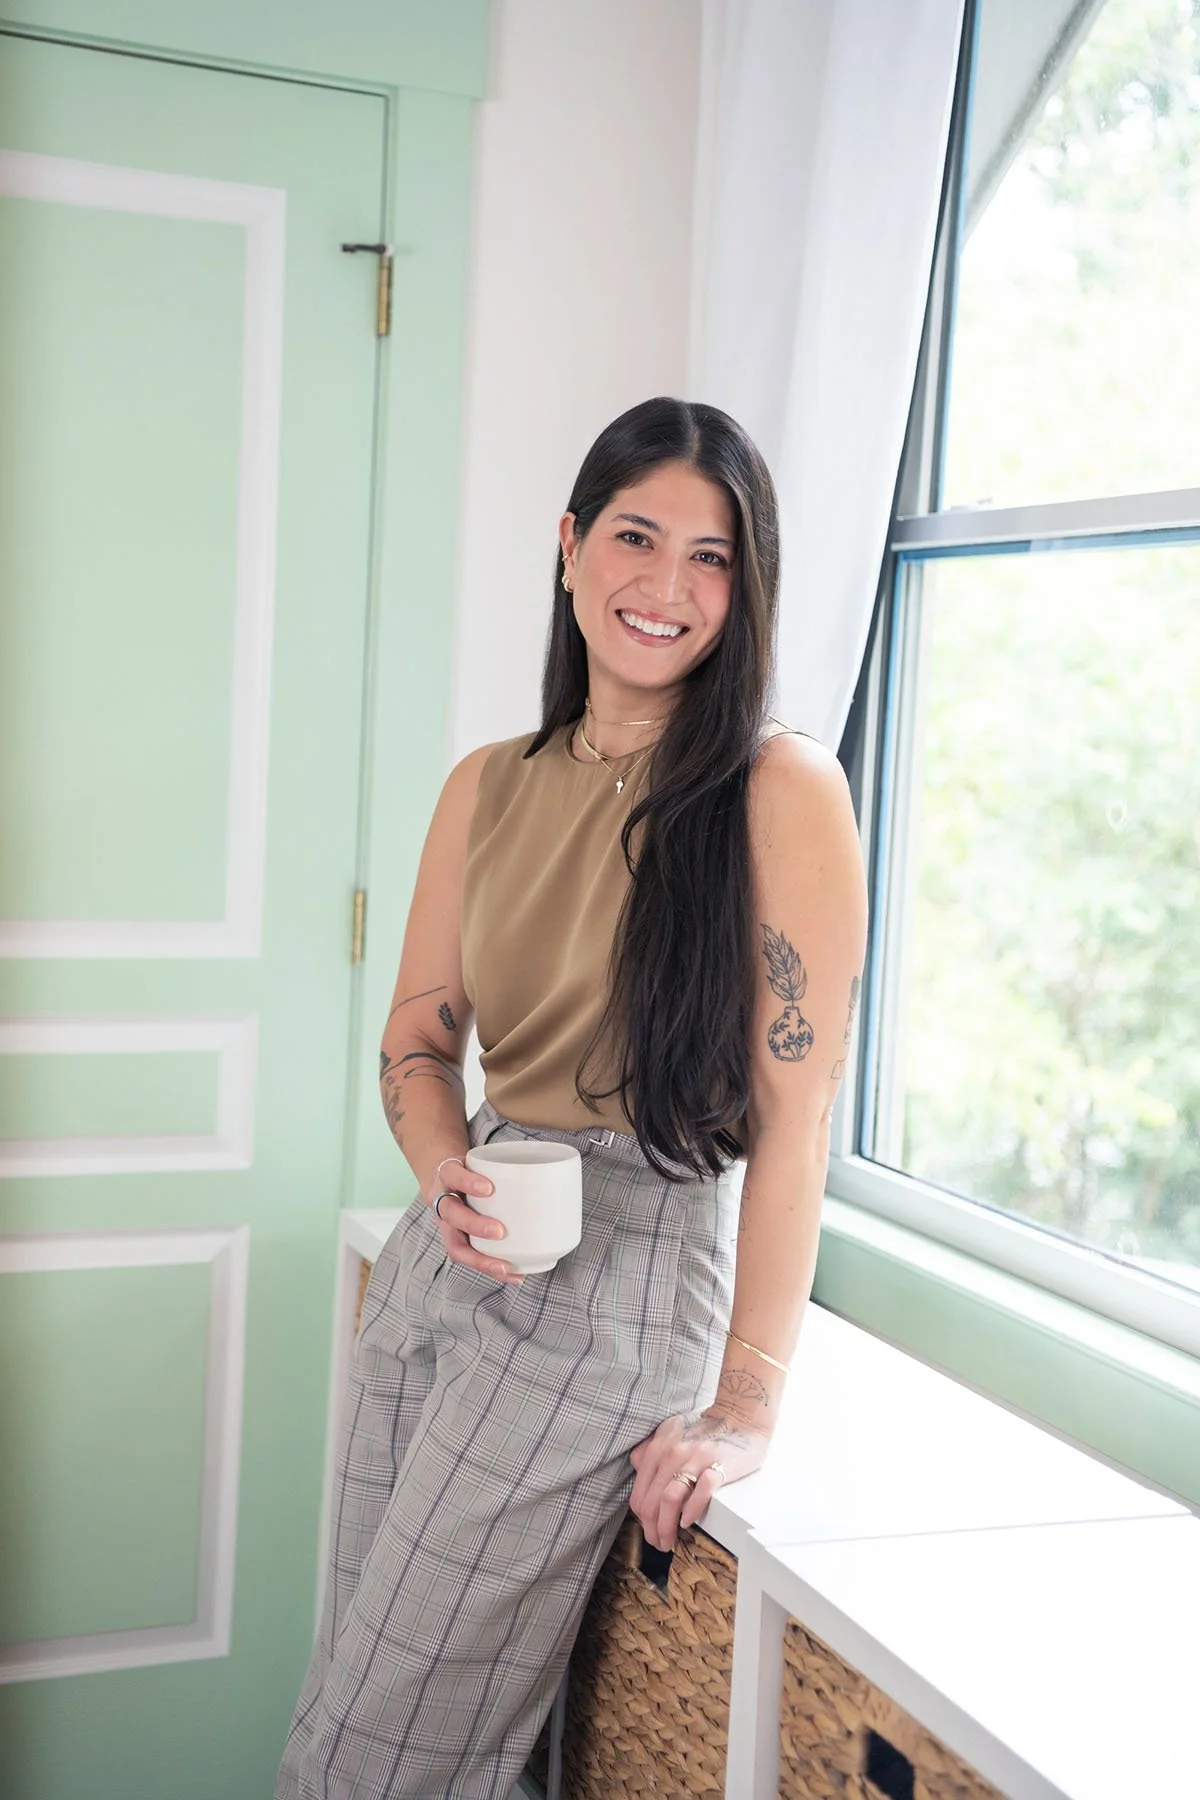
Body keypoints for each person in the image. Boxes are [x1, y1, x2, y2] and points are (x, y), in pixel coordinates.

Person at [276, 395, 868, 1800]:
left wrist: (748, 1401)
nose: (667, 587)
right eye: (638, 537)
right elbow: (416, 1045)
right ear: (568, 547)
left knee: (365, 1766)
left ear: (751, 584)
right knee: (381, 1707)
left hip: (620, 1277)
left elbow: (794, 1129)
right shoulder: (488, 786)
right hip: (456, 1244)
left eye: (714, 558)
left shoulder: (779, 790)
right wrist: (441, 1172)